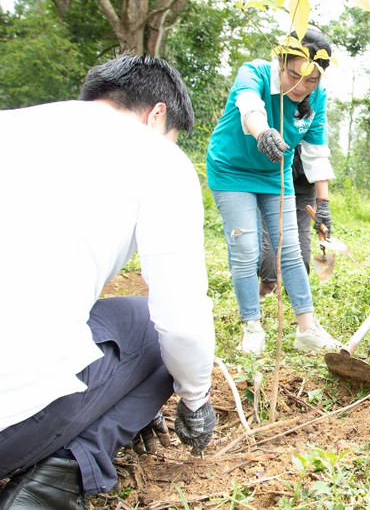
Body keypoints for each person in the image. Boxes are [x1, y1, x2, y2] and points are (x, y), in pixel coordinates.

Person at [0, 54, 216, 508]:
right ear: (158, 114)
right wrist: (194, 401)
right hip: (9, 425)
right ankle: (59, 479)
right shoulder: (156, 156)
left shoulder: (13, 124)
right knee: (148, 323)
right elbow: (180, 321)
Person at [208, 28, 341, 355]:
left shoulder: (317, 97)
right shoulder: (253, 73)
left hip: (275, 174)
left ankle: (307, 329)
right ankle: (252, 326)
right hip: (232, 170)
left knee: (291, 248)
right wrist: (263, 132)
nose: (301, 87)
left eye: (311, 80)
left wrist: (323, 203)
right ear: (280, 62)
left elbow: (315, 149)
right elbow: (249, 107)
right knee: (246, 249)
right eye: (294, 75)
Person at [259, 145, 319, 297]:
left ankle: (268, 285)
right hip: (307, 173)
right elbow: (318, 151)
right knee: (302, 231)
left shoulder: (277, 120)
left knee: (270, 228)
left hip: (278, 170)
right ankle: (298, 285)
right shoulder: (312, 122)